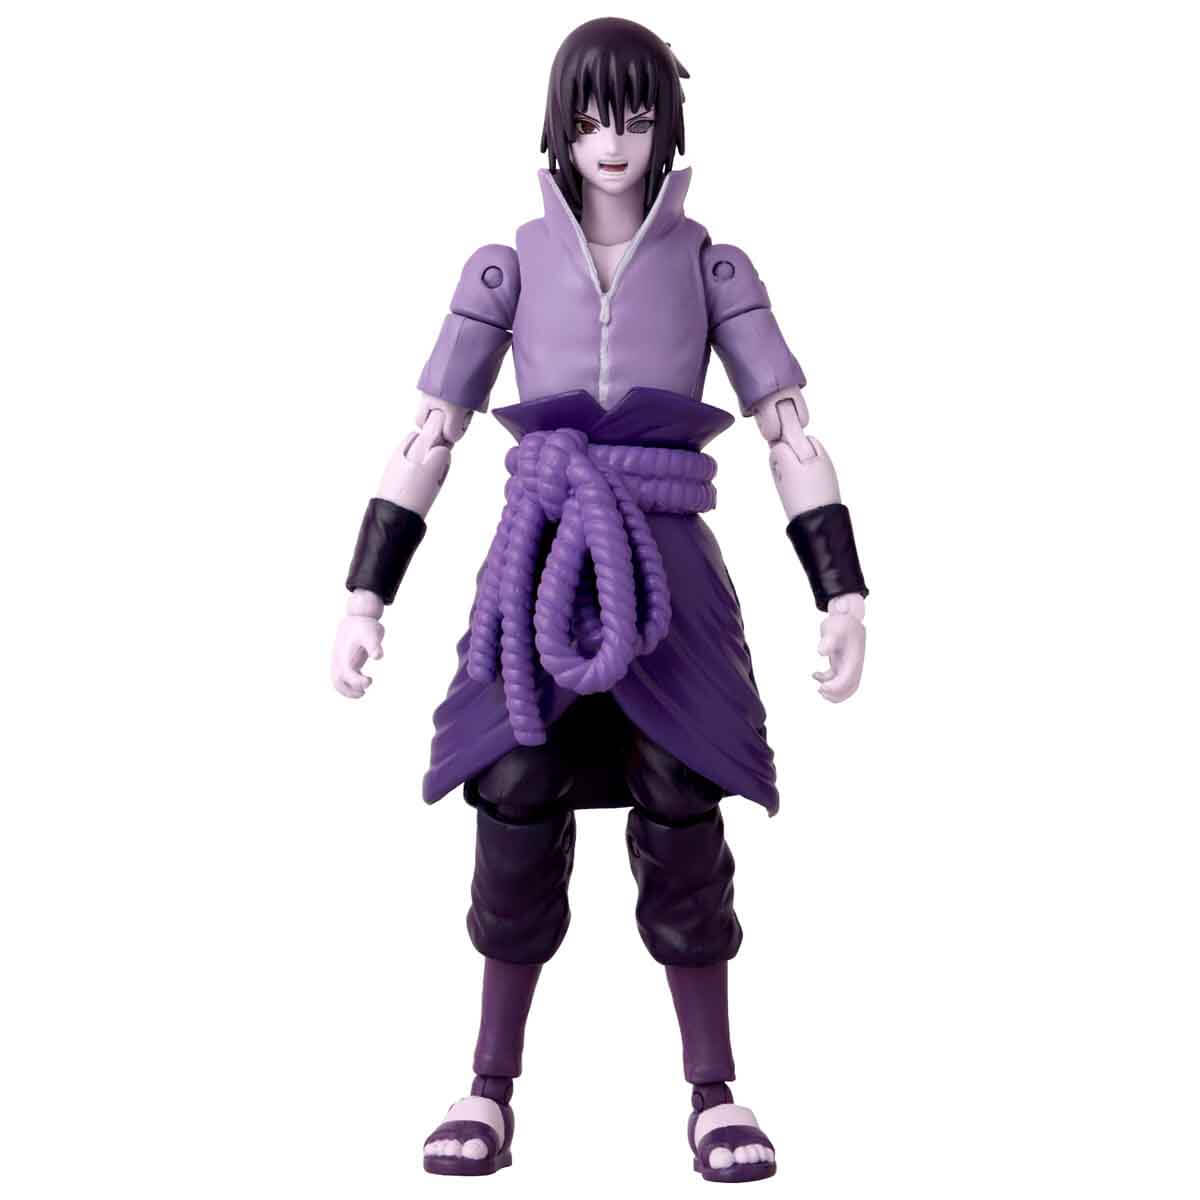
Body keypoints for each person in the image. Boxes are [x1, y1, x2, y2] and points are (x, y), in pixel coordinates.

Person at [331, 17, 868, 1183]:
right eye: (589, 117)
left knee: (684, 806)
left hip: (668, 568)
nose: (612, 140)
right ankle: (488, 1082)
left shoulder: (713, 267)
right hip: (538, 559)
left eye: (633, 115)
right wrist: (367, 591)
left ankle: (714, 1089)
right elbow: (430, 432)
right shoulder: (507, 267)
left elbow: (790, 432)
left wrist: (842, 590)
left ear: (665, 125)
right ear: (560, 128)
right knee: (513, 796)